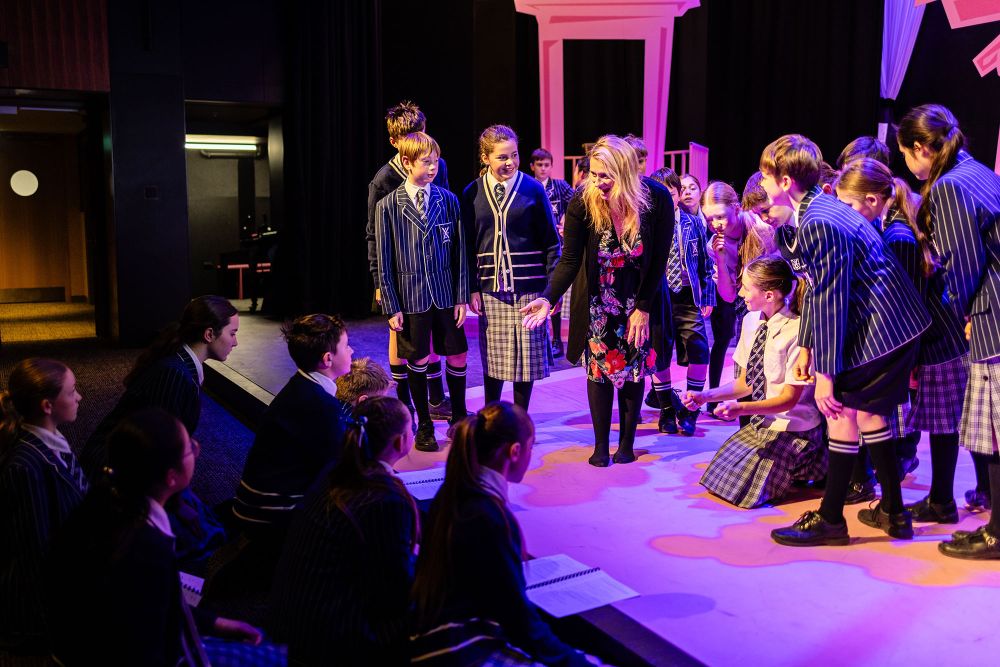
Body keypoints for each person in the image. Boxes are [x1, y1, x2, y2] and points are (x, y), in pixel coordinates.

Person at [761, 134, 931, 547]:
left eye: (766, 178)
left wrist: (825, 375)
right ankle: (894, 512)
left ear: (785, 180)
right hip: (893, 329)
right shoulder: (821, 210)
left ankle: (831, 520)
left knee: (839, 412)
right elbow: (820, 289)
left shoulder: (819, 219)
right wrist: (806, 346)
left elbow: (831, 297)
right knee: (868, 417)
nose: (763, 185)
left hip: (880, 330)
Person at [45, 409, 284, 666]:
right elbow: (147, 647)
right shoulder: (148, 549)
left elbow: (149, 606)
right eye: (189, 448)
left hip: (78, 644)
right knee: (274, 657)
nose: (197, 448)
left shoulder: (101, 500)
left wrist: (217, 623)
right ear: (171, 477)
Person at [521, 135, 672, 466]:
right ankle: (601, 445)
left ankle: (627, 444)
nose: (598, 182)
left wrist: (643, 308)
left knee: (633, 370)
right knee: (599, 370)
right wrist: (548, 297)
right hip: (598, 300)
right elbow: (569, 260)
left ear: (626, 173)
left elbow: (659, 260)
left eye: (606, 176)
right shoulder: (582, 200)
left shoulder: (657, 198)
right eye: (593, 174)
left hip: (639, 299)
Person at [835, 158, 970, 523]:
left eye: (849, 205)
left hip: (939, 341)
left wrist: (907, 359)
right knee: (940, 423)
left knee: (943, 424)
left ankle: (941, 501)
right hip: (936, 338)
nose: (846, 214)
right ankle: (939, 499)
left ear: (872, 199)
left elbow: (909, 304)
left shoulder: (898, 236)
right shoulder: (895, 223)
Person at [411, 401, 592, 666]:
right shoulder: (487, 516)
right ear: (515, 451)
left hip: (432, 632)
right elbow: (516, 618)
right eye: (531, 447)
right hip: (455, 645)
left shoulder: (453, 492)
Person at [895, 104, 1000, 559]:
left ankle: (996, 534)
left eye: (905, 155)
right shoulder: (978, 171)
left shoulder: (950, 185)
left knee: (993, 426)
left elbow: (963, 267)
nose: (907, 165)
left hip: (991, 315)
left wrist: (960, 317)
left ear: (921, 148)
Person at [82, 295, 238, 568]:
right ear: (209, 334)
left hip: (128, 465)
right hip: (113, 472)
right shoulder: (175, 374)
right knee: (201, 541)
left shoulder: (181, 365)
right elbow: (153, 450)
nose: (235, 342)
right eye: (232, 333)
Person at [269, 397, 418, 666]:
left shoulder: (336, 471)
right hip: (331, 641)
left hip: (288, 621)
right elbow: (396, 591)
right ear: (401, 442)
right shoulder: (384, 500)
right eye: (412, 428)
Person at [683, 256, 826, 508]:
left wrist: (741, 408)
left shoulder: (797, 331)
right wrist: (705, 396)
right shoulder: (751, 321)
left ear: (769, 295)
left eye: (747, 288)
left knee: (744, 492)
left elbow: (788, 400)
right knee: (721, 479)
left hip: (794, 426)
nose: (741, 293)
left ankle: (812, 462)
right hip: (764, 422)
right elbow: (746, 383)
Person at [228, 314, 355, 587]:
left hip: (252, 505)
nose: (352, 351)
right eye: (346, 346)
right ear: (327, 359)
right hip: (272, 515)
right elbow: (338, 468)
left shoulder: (302, 385)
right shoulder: (320, 406)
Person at [376, 131, 469, 452]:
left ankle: (459, 417)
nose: (432, 168)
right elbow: (384, 259)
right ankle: (425, 424)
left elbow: (459, 253)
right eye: (426, 162)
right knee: (418, 356)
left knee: (457, 352)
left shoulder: (449, 200)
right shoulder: (388, 206)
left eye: (435, 162)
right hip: (410, 297)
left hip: (445, 295)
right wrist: (391, 304)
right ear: (407, 162)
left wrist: (461, 296)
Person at [463, 125, 561, 411]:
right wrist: (472, 288)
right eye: (502, 157)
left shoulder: (533, 189)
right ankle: (491, 416)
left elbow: (552, 243)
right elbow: (467, 246)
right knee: (494, 358)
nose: (510, 162)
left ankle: (520, 417)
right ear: (485, 158)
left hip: (530, 288)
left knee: (526, 361)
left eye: (514, 155)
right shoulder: (472, 193)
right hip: (491, 290)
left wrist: (551, 291)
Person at [366, 100, 453, 422]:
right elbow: (373, 234)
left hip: (434, 270)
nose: (420, 141)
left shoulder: (438, 167)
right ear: (395, 142)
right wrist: (379, 282)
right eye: (410, 137)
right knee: (399, 333)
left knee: (431, 332)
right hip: (401, 273)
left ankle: (435, 397)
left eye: (423, 133)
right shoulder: (384, 180)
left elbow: (446, 214)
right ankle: (405, 402)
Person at [0, 359, 87, 655]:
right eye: (71, 392)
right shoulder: (25, 466)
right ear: (47, 406)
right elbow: (36, 553)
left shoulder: (50, 441)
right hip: (38, 603)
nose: (79, 397)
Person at [645, 167, 715, 436]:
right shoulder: (646, 224)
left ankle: (691, 409)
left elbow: (705, 265)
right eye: (659, 194)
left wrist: (707, 296)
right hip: (657, 297)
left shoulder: (693, 222)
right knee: (659, 353)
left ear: (677, 194)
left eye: (671, 193)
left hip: (687, 296)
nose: (666, 199)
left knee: (699, 349)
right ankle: (666, 408)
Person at [704, 181, 775, 417]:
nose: (715, 224)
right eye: (710, 219)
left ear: (736, 208)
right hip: (746, 306)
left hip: (773, 305)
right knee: (744, 369)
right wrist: (721, 259)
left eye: (720, 216)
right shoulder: (714, 245)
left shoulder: (761, 228)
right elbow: (728, 295)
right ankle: (746, 420)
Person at [530, 147, 576, 359]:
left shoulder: (559, 186)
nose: (543, 168)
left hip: (555, 246)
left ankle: (557, 340)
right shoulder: (528, 186)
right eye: (539, 165)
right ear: (532, 166)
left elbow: (577, 204)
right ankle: (541, 340)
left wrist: (568, 224)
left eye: (546, 165)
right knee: (537, 292)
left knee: (554, 290)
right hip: (533, 247)